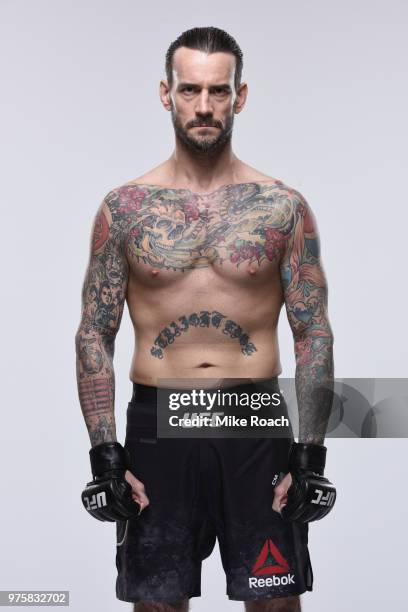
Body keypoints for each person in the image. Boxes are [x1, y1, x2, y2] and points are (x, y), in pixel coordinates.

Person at [75, 26, 335, 612]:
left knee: (275, 602)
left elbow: (312, 330)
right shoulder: (125, 210)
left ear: (240, 96)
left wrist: (310, 455)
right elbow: (95, 331)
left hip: (255, 421)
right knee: (158, 605)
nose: (203, 106)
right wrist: (104, 452)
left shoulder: (281, 207)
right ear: (165, 94)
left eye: (218, 91)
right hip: (159, 423)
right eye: (189, 89)